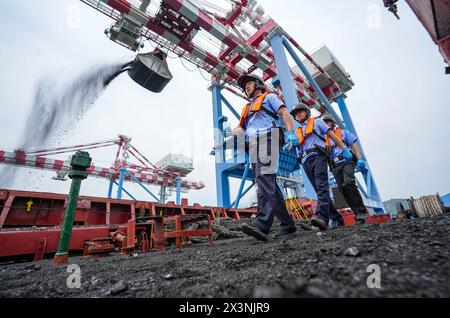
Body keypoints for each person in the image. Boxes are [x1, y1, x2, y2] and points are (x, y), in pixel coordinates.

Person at [232, 74, 298, 241]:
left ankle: (262, 223)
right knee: (268, 182)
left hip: (268, 138)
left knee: (264, 177)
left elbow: (284, 113)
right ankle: (287, 224)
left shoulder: (269, 97)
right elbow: (241, 127)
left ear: (258, 84)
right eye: (244, 85)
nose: (246, 86)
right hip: (253, 144)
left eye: (249, 83)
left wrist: (291, 133)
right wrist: (237, 130)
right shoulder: (247, 108)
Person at [288, 104, 353, 231]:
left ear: (307, 112)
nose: (298, 114)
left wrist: (344, 148)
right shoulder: (298, 131)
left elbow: (332, 136)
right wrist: (288, 145)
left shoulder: (318, 122)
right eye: (295, 113)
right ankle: (337, 218)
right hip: (305, 161)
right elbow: (293, 145)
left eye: (300, 111)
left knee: (322, 186)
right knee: (319, 190)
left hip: (319, 156)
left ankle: (322, 217)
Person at [322, 115, 368, 224]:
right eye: (324, 123)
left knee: (348, 183)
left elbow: (353, 146)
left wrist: (360, 159)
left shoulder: (343, 133)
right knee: (343, 190)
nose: (326, 125)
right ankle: (357, 213)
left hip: (347, 161)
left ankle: (361, 211)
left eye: (328, 122)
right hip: (335, 166)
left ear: (332, 123)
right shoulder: (323, 139)